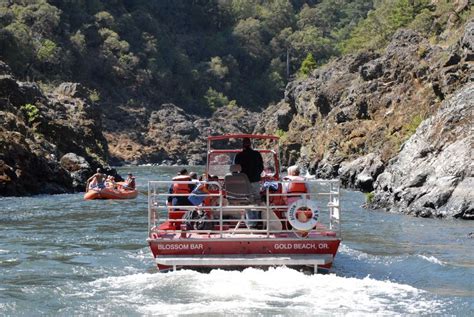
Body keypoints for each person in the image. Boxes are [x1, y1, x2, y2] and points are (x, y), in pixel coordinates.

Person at [234, 137, 264, 228]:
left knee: (247, 201)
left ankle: (251, 223)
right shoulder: (257, 154)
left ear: (243, 145)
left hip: (244, 182)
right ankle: (257, 221)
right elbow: (261, 167)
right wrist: (256, 175)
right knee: (256, 200)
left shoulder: (239, 155)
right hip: (255, 180)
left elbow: (235, 169)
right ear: (250, 144)